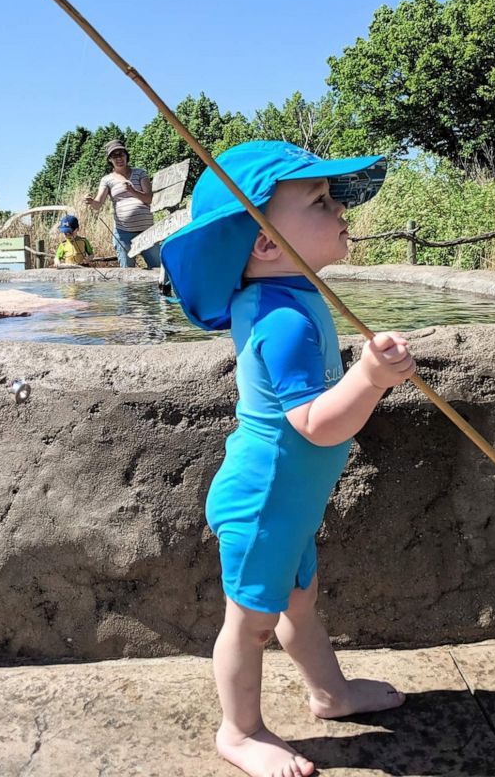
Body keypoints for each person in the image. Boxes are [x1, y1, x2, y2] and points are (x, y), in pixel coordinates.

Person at [161, 141, 416, 777]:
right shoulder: (286, 321)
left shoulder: (289, 299)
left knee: (298, 604)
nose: (339, 210)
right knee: (248, 624)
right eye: (321, 201)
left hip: (286, 505)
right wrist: (371, 378)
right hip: (263, 502)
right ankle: (239, 730)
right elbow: (318, 426)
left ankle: (330, 694)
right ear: (268, 245)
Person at [85, 139, 161, 269]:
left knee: (158, 269)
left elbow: (149, 199)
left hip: (147, 230)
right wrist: (91, 201)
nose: (119, 158)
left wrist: (133, 191)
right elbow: (98, 205)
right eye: (115, 156)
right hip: (123, 232)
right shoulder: (107, 180)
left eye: (121, 154)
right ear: (110, 159)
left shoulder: (140, 173)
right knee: (127, 272)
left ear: (126, 155)